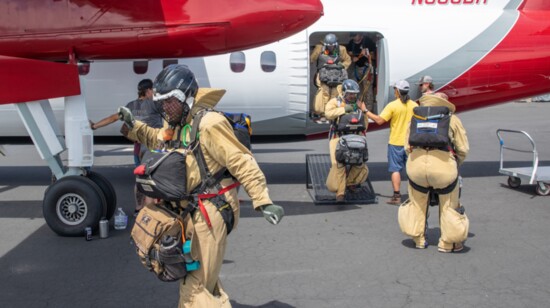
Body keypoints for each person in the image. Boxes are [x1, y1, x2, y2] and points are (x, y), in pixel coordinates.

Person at [118, 64, 284, 307]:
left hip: (211, 210)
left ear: (187, 96)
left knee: (194, 287)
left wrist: (263, 200)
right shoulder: (175, 124)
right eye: (162, 102)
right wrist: (134, 126)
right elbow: (156, 138)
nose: (165, 107)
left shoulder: (209, 124)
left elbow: (241, 161)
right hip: (190, 210)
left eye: (171, 101)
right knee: (204, 277)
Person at [404, 93, 469, 252]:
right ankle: (448, 244)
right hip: (443, 168)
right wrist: (455, 162)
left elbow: (407, 147)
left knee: (417, 204)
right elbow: (463, 148)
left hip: (416, 168)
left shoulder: (415, 118)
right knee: (448, 205)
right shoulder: (452, 119)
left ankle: (418, 239)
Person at [90, 79, 163, 215]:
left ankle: (137, 209)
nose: (154, 93)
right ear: (148, 91)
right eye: (153, 90)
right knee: (152, 180)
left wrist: (95, 126)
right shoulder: (154, 103)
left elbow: (113, 118)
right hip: (153, 148)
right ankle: (150, 213)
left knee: (140, 179)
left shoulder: (130, 105)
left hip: (138, 149)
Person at [364, 80, 418, 205]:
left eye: (395, 89)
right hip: (411, 143)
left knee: (395, 170)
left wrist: (365, 110)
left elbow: (379, 120)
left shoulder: (393, 105)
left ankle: (397, 196)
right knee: (412, 170)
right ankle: (415, 196)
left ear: (397, 92)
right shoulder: (415, 106)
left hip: (396, 142)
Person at [324, 79, 369, 202]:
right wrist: (345, 109)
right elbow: (328, 114)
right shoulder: (335, 102)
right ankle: (340, 193)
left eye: (355, 94)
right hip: (337, 137)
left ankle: (349, 182)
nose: (353, 96)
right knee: (339, 164)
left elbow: (364, 122)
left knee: (360, 163)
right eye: (350, 93)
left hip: (356, 136)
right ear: (343, 92)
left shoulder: (359, 104)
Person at [310, 33, 351, 123]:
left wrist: (341, 66)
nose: (331, 47)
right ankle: (323, 114)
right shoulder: (319, 48)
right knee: (324, 94)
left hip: (338, 76)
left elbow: (348, 60)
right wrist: (317, 52)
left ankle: (333, 114)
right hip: (323, 75)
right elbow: (311, 59)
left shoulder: (341, 49)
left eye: (332, 46)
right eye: (329, 46)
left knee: (336, 94)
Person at [346, 33, 376, 111]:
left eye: (355, 36)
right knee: (355, 90)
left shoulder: (367, 42)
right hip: (356, 69)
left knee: (367, 90)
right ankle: (357, 109)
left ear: (360, 35)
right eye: (352, 36)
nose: (354, 38)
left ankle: (368, 111)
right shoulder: (351, 43)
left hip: (367, 68)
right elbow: (349, 54)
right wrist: (353, 57)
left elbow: (374, 56)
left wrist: (366, 54)